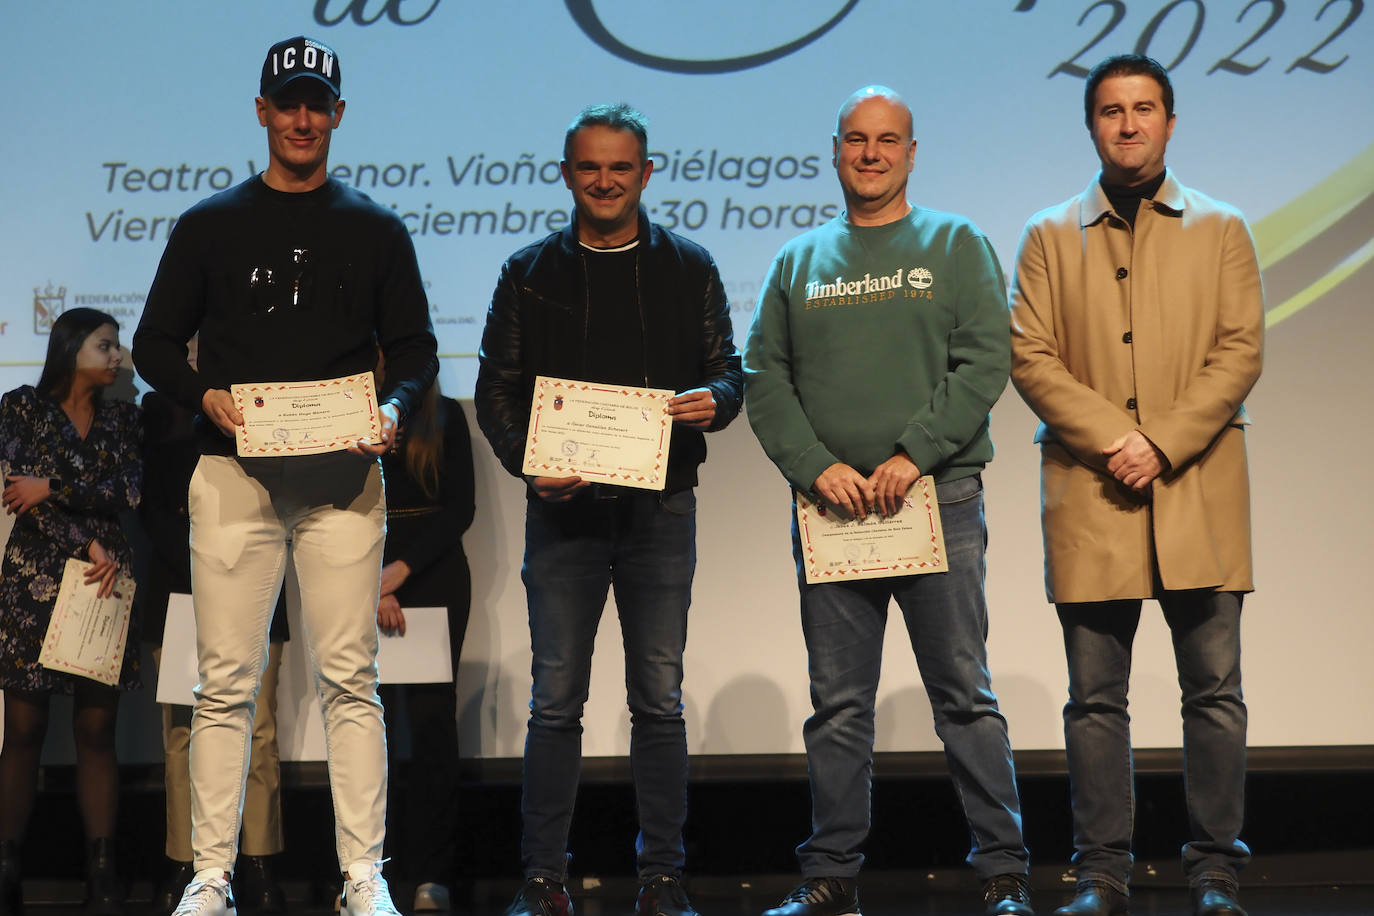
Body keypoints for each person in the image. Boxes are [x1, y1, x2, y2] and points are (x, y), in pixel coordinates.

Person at [132, 35, 437, 916]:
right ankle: (211, 878)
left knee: (350, 679)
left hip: (343, 476)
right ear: (261, 111)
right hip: (235, 473)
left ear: (338, 114)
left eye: (318, 103)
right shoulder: (209, 225)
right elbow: (155, 341)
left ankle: (361, 878)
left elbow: (414, 350)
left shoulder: (375, 227)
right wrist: (204, 395)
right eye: (288, 101)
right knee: (224, 683)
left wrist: (394, 409)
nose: (303, 118)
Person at [743, 86, 1034, 916]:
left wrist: (915, 455)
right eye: (856, 140)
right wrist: (813, 466)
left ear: (912, 153)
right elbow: (766, 376)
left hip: (936, 501)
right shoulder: (799, 262)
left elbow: (984, 361)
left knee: (963, 695)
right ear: (835, 150)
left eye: (888, 141)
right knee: (837, 704)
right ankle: (830, 876)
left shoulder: (955, 243)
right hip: (831, 511)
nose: (871, 154)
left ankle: (1004, 872)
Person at [1008, 54, 1262, 916]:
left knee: (1214, 693)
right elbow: (1030, 357)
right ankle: (1101, 873)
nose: (1128, 124)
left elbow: (1240, 352)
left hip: (1196, 487)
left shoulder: (1221, 227)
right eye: (1112, 111)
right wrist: (1119, 439)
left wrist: (1161, 441)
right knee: (1095, 698)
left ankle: (1215, 870)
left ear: (1170, 122)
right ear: (1092, 126)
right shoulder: (1049, 234)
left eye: (1144, 109)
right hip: (1094, 487)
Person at [475, 102, 742, 916]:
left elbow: (729, 374)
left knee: (658, 697)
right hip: (564, 516)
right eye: (589, 166)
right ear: (566, 173)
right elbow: (497, 391)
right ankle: (544, 879)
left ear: (646, 173)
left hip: (660, 513)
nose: (604, 180)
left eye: (619, 167)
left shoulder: (689, 266)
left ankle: (662, 877)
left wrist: (716, 402)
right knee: (555, 701)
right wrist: (531, 464)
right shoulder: (528, 271)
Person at [138, 341, 289, 916]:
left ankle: (258, 861)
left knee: (262, 730)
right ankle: (188, 863)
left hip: (254, 579)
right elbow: (151, 509)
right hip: (180, 587)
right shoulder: (159, 412)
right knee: (182, 734)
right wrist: (203, 565)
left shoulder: (263, 395)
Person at [0, 307, 142, 916]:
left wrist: (53, 485)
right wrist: (84, 538)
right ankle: (6, 869)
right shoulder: (20, 407)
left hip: (104, 581)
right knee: (25, 730)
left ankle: (102, 874)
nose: (117, 358)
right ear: (69, 348)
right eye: (105, 346)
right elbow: (18, 494)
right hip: (37, 580)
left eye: (119, 348)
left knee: (95, 730)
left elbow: (128, 490)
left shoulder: (123, 418)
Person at [374, 378, 475, 913]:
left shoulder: (447, 418)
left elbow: (459, 508)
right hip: (363, 579)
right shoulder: (352, 413)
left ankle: (432, 875)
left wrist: (401, 572)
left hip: (433, 579)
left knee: (433, 724)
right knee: (369, 730)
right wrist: (373, 582)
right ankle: (373, 871)